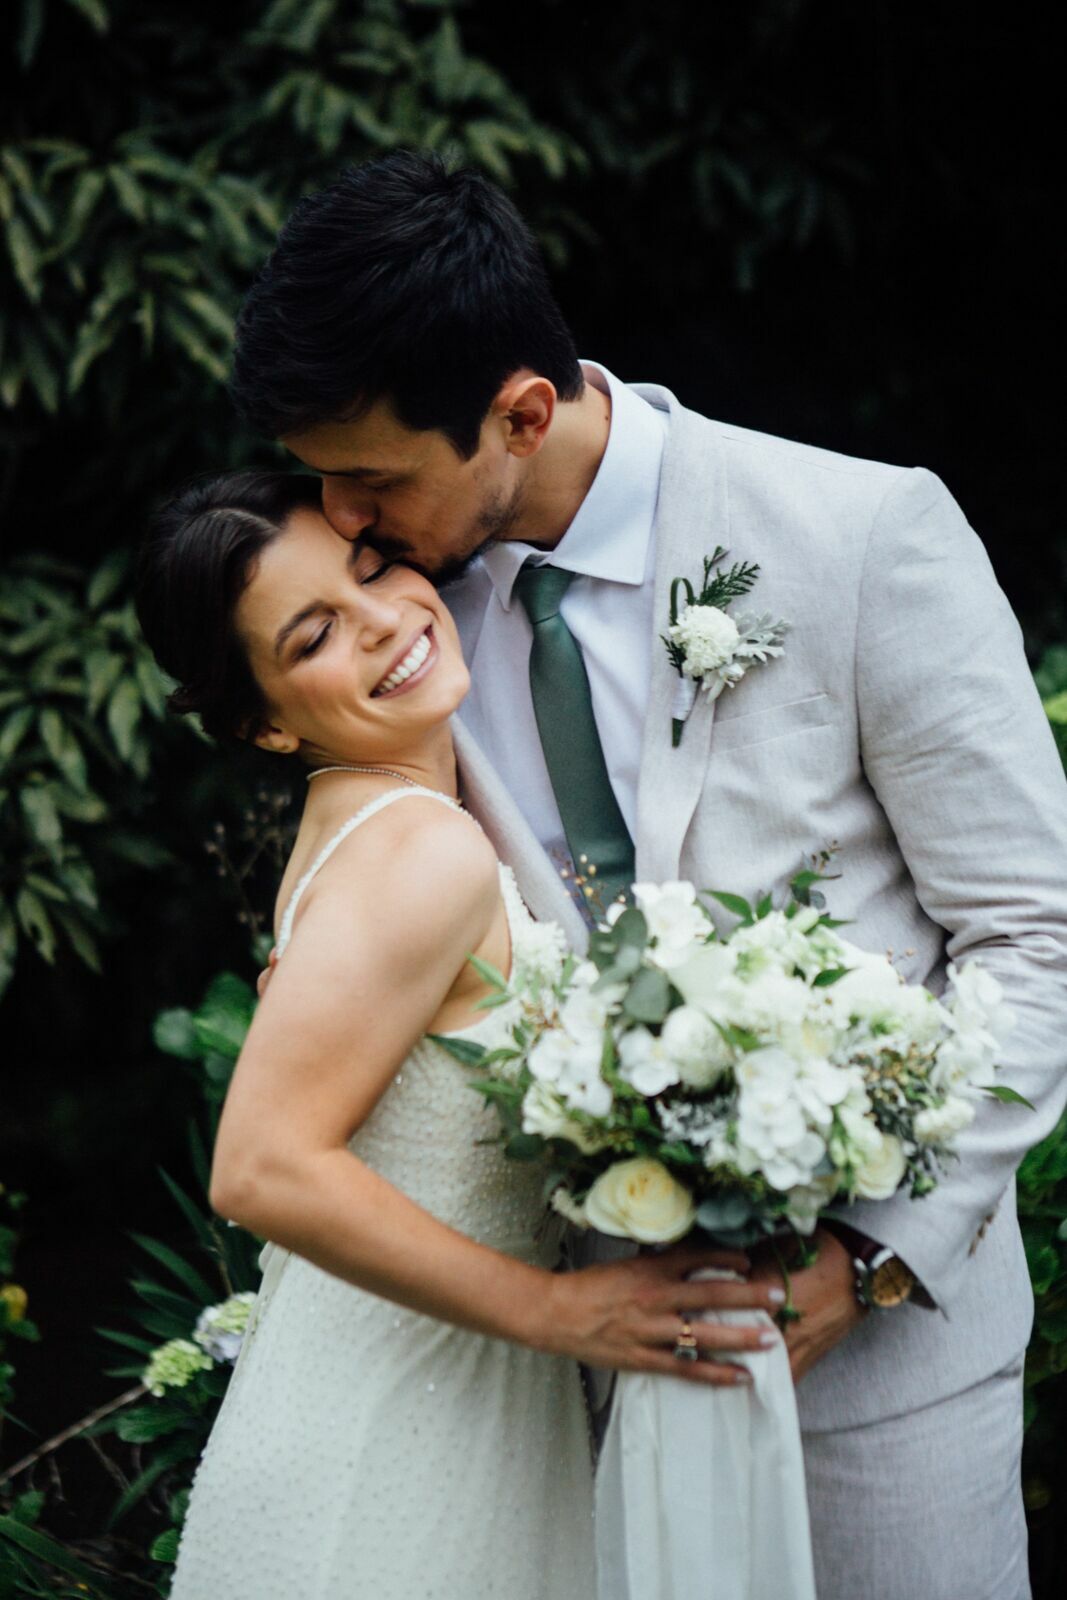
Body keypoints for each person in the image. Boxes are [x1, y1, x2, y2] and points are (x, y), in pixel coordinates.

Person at [228, 151, 1067, 1599]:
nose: (345, 519)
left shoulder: (862, 537)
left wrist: (867, 1260)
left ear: (520, 413)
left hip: (885, 1382)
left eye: (372, 476)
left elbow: (1036, 934)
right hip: (585, 1399)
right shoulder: (407, 639)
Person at [133, 470, 781, 1598]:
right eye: (314, 634)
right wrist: (558, 1309)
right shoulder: (417, 851)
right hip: (393, 1437)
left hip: (415, 1402)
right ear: (264, 724)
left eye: (369, 569)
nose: (384, 620)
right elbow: (259, 1164)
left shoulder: (367, 828)